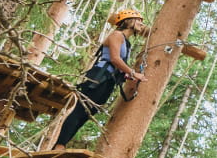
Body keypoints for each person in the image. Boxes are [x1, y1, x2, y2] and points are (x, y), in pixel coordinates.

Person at [55, 9, 148, 147]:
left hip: (109, 81)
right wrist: (134, 73)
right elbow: (115, 59)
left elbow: (118, 65)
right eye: (138, 20)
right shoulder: (116, 35)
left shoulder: (127, 43)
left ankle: (62, 144)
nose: (141, 23)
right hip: (99, 76)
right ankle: (59, 144)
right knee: (80, 109)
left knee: (87, 114)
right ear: (129, 21)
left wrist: (127, 74)